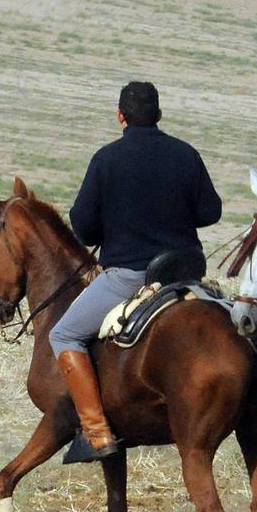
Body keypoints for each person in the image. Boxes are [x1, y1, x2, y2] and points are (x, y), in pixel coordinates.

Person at [48, 81, 222, 461]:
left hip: (131, 278)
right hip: (186, 276)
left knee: (63, 334)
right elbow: (211, 212)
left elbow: (84, 228)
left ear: (120, 116)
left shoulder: (106, 159)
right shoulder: (186, 154)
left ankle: (95, 433)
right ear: (159, 115)